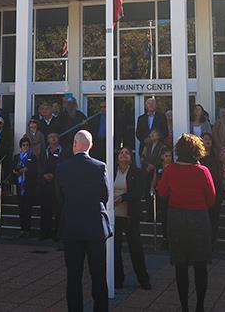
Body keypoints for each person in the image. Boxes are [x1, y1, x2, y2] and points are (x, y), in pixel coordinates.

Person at [158, 134, 217, 312]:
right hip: (199, 217)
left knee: (180, 265)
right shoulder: (203, 171)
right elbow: (212, 199)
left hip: (176, 217)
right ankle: (200, 306)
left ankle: (184, 306)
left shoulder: (170, 170)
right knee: (200, 265)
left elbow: (161, 192)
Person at [56, 130, 112, 312]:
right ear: (91, 146)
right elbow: (105, 195)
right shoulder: (99, 167)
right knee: (98, 276)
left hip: (72, 227)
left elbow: (59, 197)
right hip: (95, 227)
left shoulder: (62, 167)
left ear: (74, 144)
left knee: (73, 276)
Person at [112, 147, 151, 291]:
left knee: (135, 248)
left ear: (131, 157)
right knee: (114, 249)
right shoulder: (111, 170)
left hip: (130, 214)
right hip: (114, 215)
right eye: (121, 152)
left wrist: (123, 198)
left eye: (127, 153)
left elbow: (138, 192)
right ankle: (117, 279)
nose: (123, 155)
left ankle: (143, 279)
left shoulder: (137, 172)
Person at [40, 132, 67, 240]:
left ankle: (58, 234)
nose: (53, 138)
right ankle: (44, 234)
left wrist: (55, 175)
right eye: (50, 137)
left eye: (55, 136)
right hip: (46, 185)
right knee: (45, 210)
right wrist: (43, 175)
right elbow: (40, 166)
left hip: (58, 185)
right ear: (47, 140)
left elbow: (66, 166)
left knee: (58, 211)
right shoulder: (44, 152)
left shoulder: (64, 152)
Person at [12, 137, 39, 238]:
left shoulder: (32, 157)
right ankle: (22, 229)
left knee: (27, 209)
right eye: (23, 145)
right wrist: (15, 172)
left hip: (28, 186)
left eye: (27, 145)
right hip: (20, 186)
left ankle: (27, 230)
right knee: (21, 209)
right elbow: (13, 168)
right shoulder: (17, 157)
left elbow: (35, 171)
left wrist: (27, 170)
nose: (25, 147)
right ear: (20, 146)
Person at [200, 133, 223, 242]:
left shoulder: (216, 155)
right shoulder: (198, 157)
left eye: (209, 139)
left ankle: (213, 238)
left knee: (214, 215)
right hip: (203, 190)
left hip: (216, 188)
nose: (207, 141)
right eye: (205, 139)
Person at [136, 98, 168, 164]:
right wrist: (144, 139)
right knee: (145, 170)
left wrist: (156, 138)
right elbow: (138, 133)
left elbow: (165, 132)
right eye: (149, 104)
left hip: (158, 149)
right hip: (144, 148)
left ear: (156, 106)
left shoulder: (162, 117)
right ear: (146, 106)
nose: (150, 105)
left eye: (152, 104)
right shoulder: (141, 118)